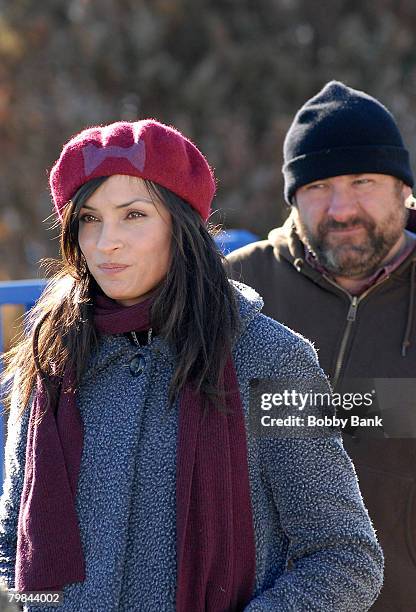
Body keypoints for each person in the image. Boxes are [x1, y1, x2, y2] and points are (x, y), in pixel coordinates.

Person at [0, 119, 383, 611]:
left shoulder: (273, 358)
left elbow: (344, 556)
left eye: (133, 215)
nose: (105, 242)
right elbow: (12, 540)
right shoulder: (49, 358)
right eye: (89, 219)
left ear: (180, 225)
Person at [227, 80, 416, 612]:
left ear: (403, 188)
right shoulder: (237, 294)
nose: (341, 208)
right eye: (317, 187)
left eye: (363, 181)